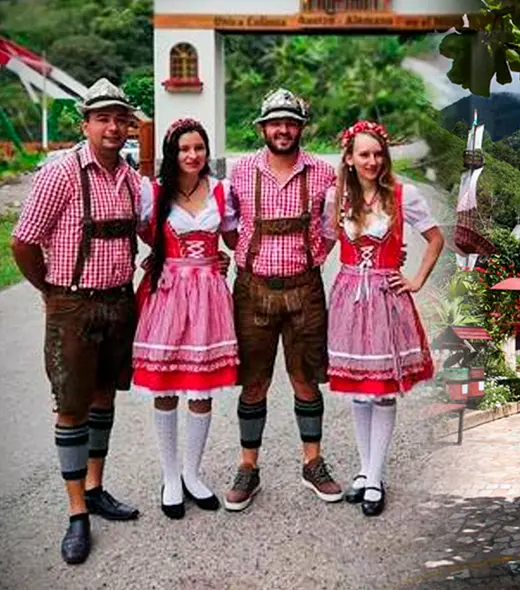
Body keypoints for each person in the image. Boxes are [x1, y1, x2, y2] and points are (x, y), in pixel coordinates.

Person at [10, 78, 142, 564]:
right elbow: (22, 242)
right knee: (70, 407)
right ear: (85, 124)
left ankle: (96, 487)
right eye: (102, 118)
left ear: (128, 125)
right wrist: (49, 291)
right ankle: (76, 514)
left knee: (104, 396)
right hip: (72, 303)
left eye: (119, 118)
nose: (112, 126)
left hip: (118, 303)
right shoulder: (60, 173)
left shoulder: (129, 177)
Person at [224, 88, 342, 511]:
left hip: (305, 290)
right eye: (276, 122)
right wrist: (249, 259)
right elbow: (229, 225)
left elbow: (331, 228)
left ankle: (313, 463)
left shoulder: (324, 173)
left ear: (301, 128)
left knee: (305, 379)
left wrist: (311, 260)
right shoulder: (241, 171)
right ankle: (248, 468)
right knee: (254, 382)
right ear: (262, 128)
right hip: (252, 289)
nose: (283, 130)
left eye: (290, 122)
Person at [323, 120, 443, 517]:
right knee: (359, 388)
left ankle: (375, 477)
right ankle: (364, 469)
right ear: (350, 158)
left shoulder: (402, 196)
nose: (372, 161)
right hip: (348, 297)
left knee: (382, 389)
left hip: (386, 298)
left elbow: (436, 238)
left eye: (378, 154)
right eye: (364, 154)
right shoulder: (336, 198)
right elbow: (323, 243)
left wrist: (416, 280)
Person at [132, 118, 239, 519]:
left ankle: (193, 473)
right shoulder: (154, 192)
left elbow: (233, 238)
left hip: (209, 293)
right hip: (169, 292)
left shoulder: (221, 192)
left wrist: (226, 257)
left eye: (199, 148)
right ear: (171, 153)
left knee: (201, 388)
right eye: (184, 149)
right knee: (165, 385)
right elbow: (143, 233)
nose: (192, 155)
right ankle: (170, 476)